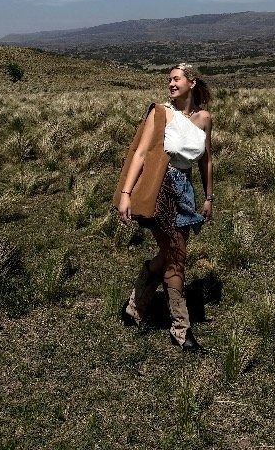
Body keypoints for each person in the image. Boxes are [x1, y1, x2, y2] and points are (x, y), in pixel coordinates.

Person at [117, 63, 213, 352]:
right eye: (168, 79)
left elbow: (206, 159)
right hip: (161, 189)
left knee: (172, 252)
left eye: (176, 79)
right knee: (177, 254)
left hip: (185, 190)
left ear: (192, 82)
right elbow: (141, 154)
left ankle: (135, 305)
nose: (171, 84)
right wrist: (125, 193)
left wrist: (208, 196)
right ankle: (181, 328)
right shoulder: (161, 114)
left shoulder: (204, 118)